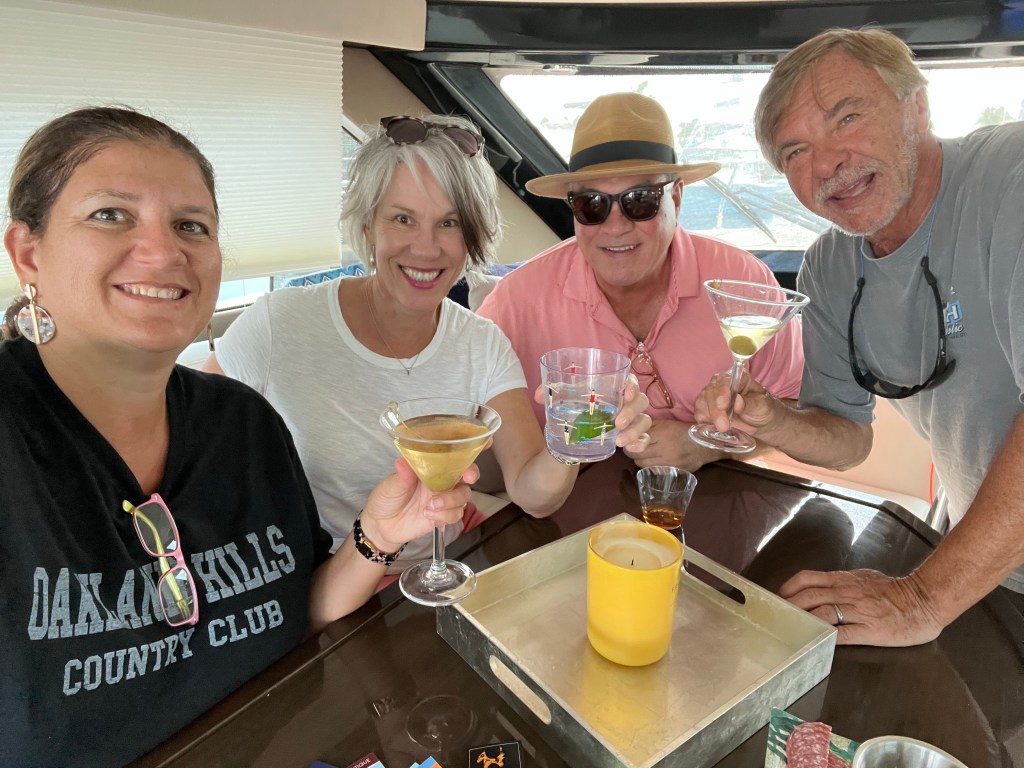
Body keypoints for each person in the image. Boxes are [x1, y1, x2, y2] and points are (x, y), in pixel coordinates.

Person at [0, 107, 475, 767]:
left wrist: (377, 536)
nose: (164, 252)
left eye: (190, 226)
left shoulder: (243, 424)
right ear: (28, 254)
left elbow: (299, 613)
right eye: (111, 214)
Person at [204, 113, 653, 568]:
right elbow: (190, 438)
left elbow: (534, 496)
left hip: (445, 565)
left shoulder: (482, 343)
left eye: (450, 223)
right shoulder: (280, 323)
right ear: (368, 225)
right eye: (403, 219)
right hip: (321, 579)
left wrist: (570, 440)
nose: (426, 248)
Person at [695, 27, 1024, 646]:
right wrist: (773, 421)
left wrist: (922, 598)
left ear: (916, 106)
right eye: (795, 151)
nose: (826, 164)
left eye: (847, 118)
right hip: (978, 557)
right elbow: (847, 438)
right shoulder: (830, 267)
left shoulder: (1012, 177)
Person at [476, 92, 805, 472]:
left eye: (640, 200)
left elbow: (796, 409)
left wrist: (708, 447)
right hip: (570, 502)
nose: (615, 226)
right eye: (591, 204)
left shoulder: (743, 282)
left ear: (676, 198)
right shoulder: (516, 300)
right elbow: (467, 432)